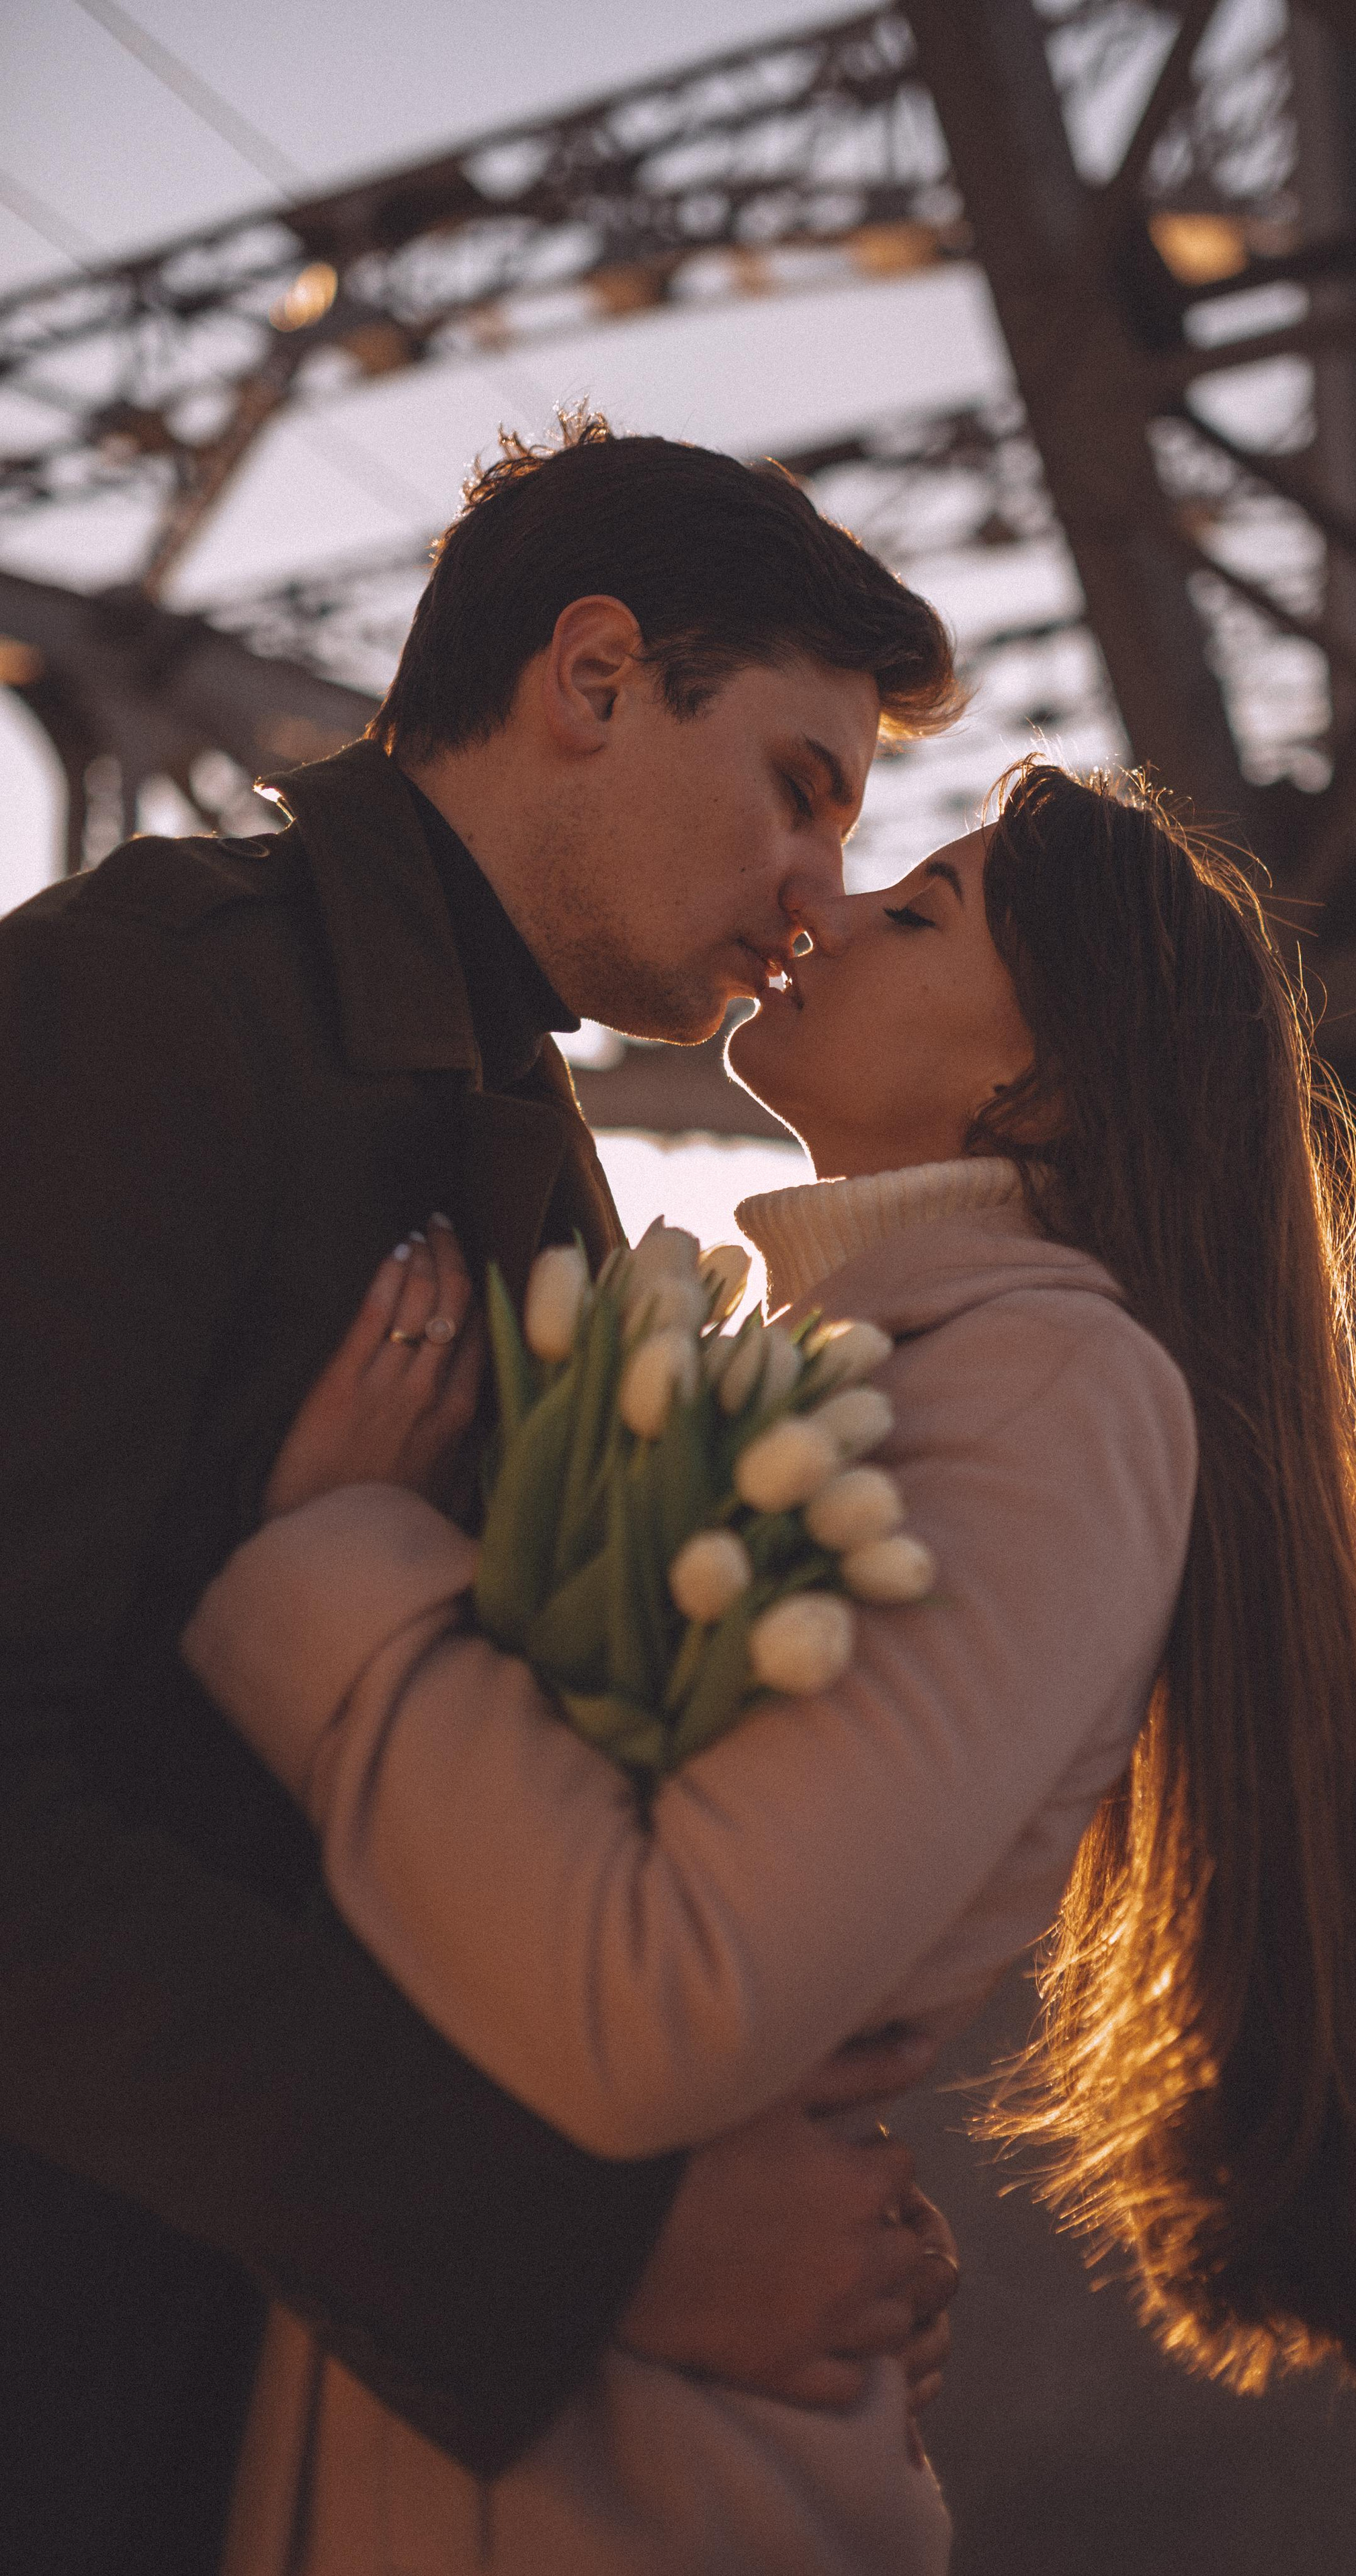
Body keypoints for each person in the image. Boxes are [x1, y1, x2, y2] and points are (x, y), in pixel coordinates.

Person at [181, 759, 1356, 2574]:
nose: (827, 907)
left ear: (1039, 1081)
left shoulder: (1049, 1392)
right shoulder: (867, 1361)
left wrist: (337, 1558)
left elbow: (660, 1988)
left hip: (624, 2490)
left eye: (919, 906)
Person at [0, 411, 967, 2576]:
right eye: (803, 787)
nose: (823, 892)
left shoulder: (500, 1114)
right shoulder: (151, 1010)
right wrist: (600, 2241)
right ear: (596, 677)